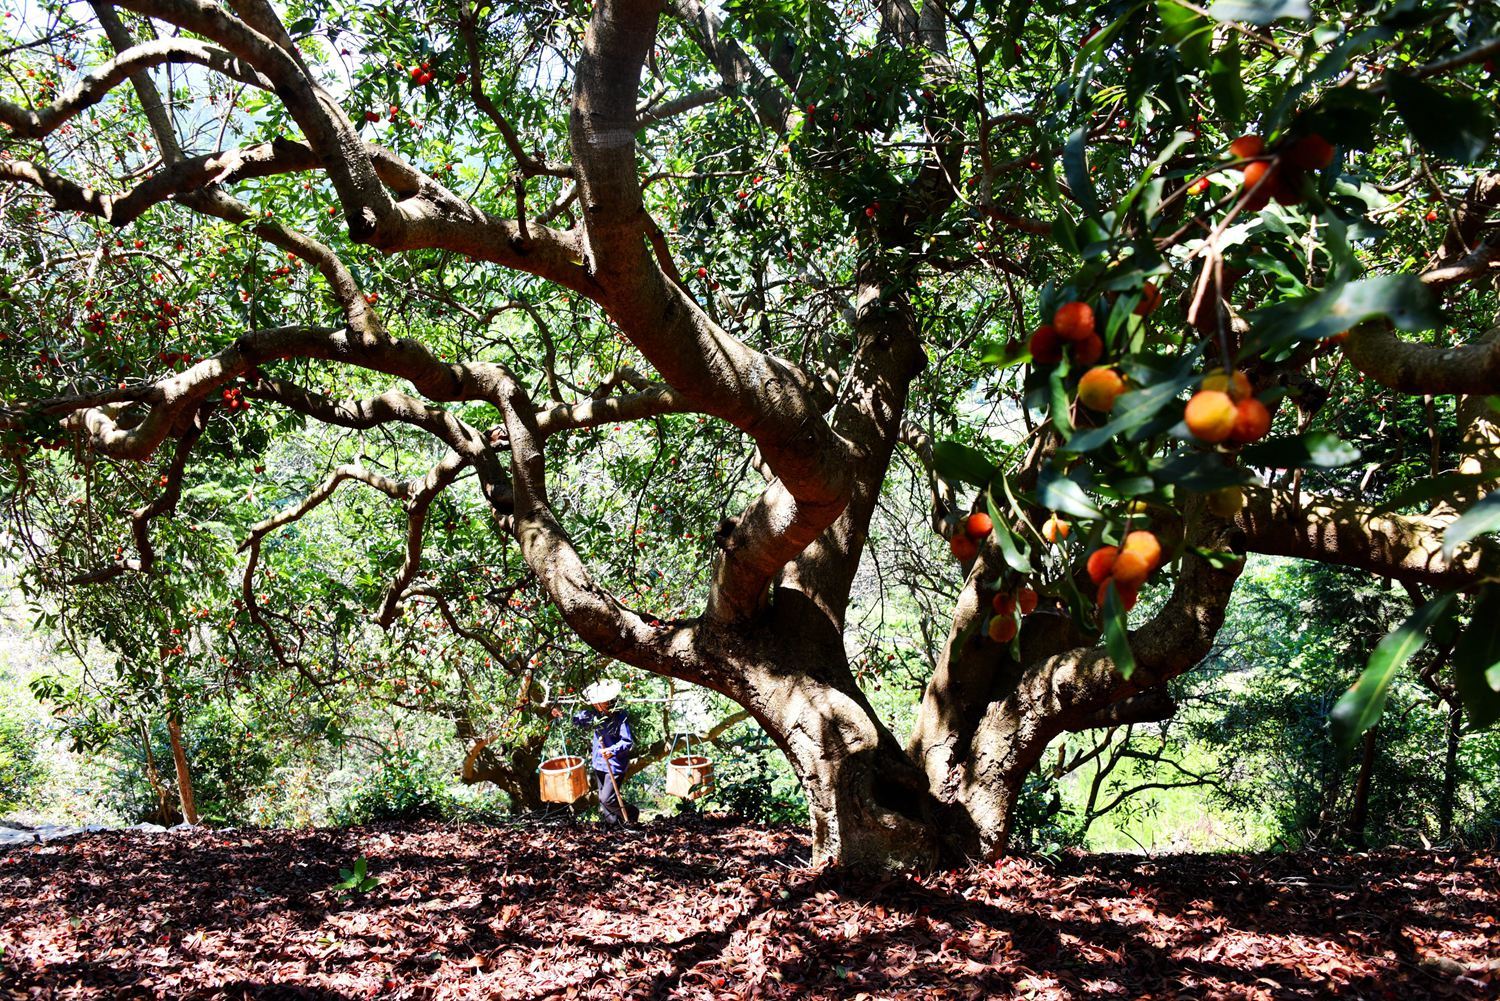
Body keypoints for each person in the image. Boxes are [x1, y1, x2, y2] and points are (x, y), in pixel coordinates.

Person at [571, 680, 638, 826]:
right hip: (599, 763)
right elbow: (576, 720)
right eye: (595, 702)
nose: (596, 705)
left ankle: (632, 813)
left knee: (607, 799)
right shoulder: (594, 714)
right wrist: (562, 714)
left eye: (599, 702)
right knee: (603, 800)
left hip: (614, 765)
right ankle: (614, 826)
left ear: (608, 701)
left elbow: (627, 741)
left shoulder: (620, 716)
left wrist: (612, 750)